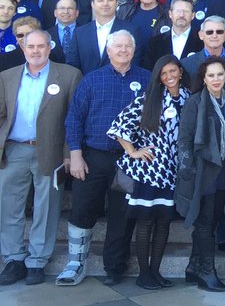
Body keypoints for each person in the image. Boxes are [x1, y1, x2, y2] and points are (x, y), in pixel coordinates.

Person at [58, 31, 149, 286]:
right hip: (94, 157)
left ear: (134, 49)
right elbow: (74, 118)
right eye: (117, 46)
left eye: (127, 46)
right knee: (83, 210)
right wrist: (74, 154)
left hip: (130, 161)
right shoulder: (91, 80)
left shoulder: (147, 79)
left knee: (122, 215)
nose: (122, 50)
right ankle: (76, 263)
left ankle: (115, 267)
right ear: (108, 51)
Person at [0, 30, 81, 286]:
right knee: (9, 205)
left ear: (49, 47)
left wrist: (70, 153)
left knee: (46, 206)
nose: (35, 51)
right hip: (14, 149)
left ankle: (37, 260)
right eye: (30, 46)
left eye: (41, 46)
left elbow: (73, 119)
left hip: (51, 150)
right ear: (23, 48)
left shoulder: (68, 75)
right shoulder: (7, 77)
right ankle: (13, 258)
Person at [107, 55, 187, 290]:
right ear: (158, 78)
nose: (169, 77)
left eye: (173, 71)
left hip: (172, 172)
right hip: (149, 172)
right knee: (145, 223)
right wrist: (133, 151)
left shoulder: (187, 97)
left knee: (164, 223)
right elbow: (120, 125)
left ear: (180, 72)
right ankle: (144, 274)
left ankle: (155, 272)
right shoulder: (150, 99)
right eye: (164, 74)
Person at [175, 55, 225, 293]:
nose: (216, 79)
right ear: (203, 78)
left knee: (213, 221)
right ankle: (206, 272)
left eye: (220, 74)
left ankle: (193, 266)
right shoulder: (195, 102)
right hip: (203, 171)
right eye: (211, 75)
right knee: (204, 221)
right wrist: (187, 169)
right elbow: (185, 139)